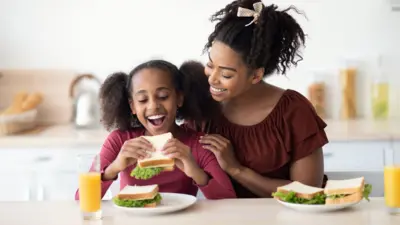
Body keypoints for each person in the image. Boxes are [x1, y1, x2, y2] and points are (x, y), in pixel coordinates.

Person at [183, 0, 328, 198]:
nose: (212, 78)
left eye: (226, 74)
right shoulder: (201, 105)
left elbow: (308, 192)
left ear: (255, 76)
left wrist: (236, 169)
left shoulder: (293, 111)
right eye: (210, 64)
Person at [74, 60, 236, 200]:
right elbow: (81, 198)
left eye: (163, 96)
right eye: (143, 100)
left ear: (179, 98)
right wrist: (114, 168)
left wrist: (194, 170)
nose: (153, 106)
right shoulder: (119, 140)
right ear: (132, 106)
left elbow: (229, 200)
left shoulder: (197, 143)